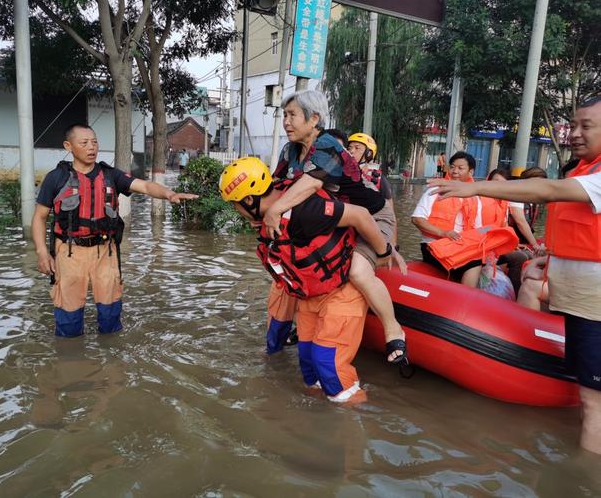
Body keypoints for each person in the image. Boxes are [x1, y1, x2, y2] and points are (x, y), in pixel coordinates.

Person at [427, 95, 601, 455]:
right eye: (575, 124)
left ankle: (583, 479)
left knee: (594, 403)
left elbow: (548, 190)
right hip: (577, 298)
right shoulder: (583, 171)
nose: (575, 133)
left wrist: (476, 187)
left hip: (593, 306)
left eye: (587, 126)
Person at [219, 157, 395, 402]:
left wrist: (384, 252)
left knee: (328, 365)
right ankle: (315, 421)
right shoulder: (269, 214)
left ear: (249, 200)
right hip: (310, 295)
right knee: (309, 368)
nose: (235, 211)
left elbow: (361, 215)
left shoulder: (303, 210)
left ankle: (353, 423)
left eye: (235, 205)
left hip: (340, 290)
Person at [264, 90, 408, 365]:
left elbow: (312, 183)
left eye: (292, 115)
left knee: (355, 269)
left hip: (374, 217)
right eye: (284, 115)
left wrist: (274, 210)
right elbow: (277, 186)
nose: (286, 121)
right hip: (338, 217)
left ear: (314, 118)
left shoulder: (329, 145)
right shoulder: (290, 150)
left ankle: (393, 328)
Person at [32, 123, 198, 337]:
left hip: (106, 252)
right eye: (84, 143)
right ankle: (70, 361)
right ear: (69, 146)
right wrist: (42, 252)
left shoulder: (111, 176)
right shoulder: (56, 178)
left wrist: (168, 194)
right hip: (69, 251)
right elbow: (39, 217)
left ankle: (112, 360)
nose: (91, 147)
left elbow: (146, 186)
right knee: (69, 320)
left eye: (94, 142)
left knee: (110, 318)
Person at [411, 151, 484, 287]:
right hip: (433, 246)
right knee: (474, 262)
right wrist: (443, 233)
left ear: (471, 172)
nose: (455, 171)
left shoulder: (475, 197)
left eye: (460, 168)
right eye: (452, 167)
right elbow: (417, 219)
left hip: (460, 246)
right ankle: (464, 297)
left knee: (483, 258)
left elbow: (478, 229)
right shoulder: (436, 190)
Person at [346, 132, 398, 247]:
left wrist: (393, 243)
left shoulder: (378, 179)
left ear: (369, 154)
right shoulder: (342, 173)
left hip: (369, 229)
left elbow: (390, 214)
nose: (351, 151)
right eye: (349, 148)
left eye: (357, 148)